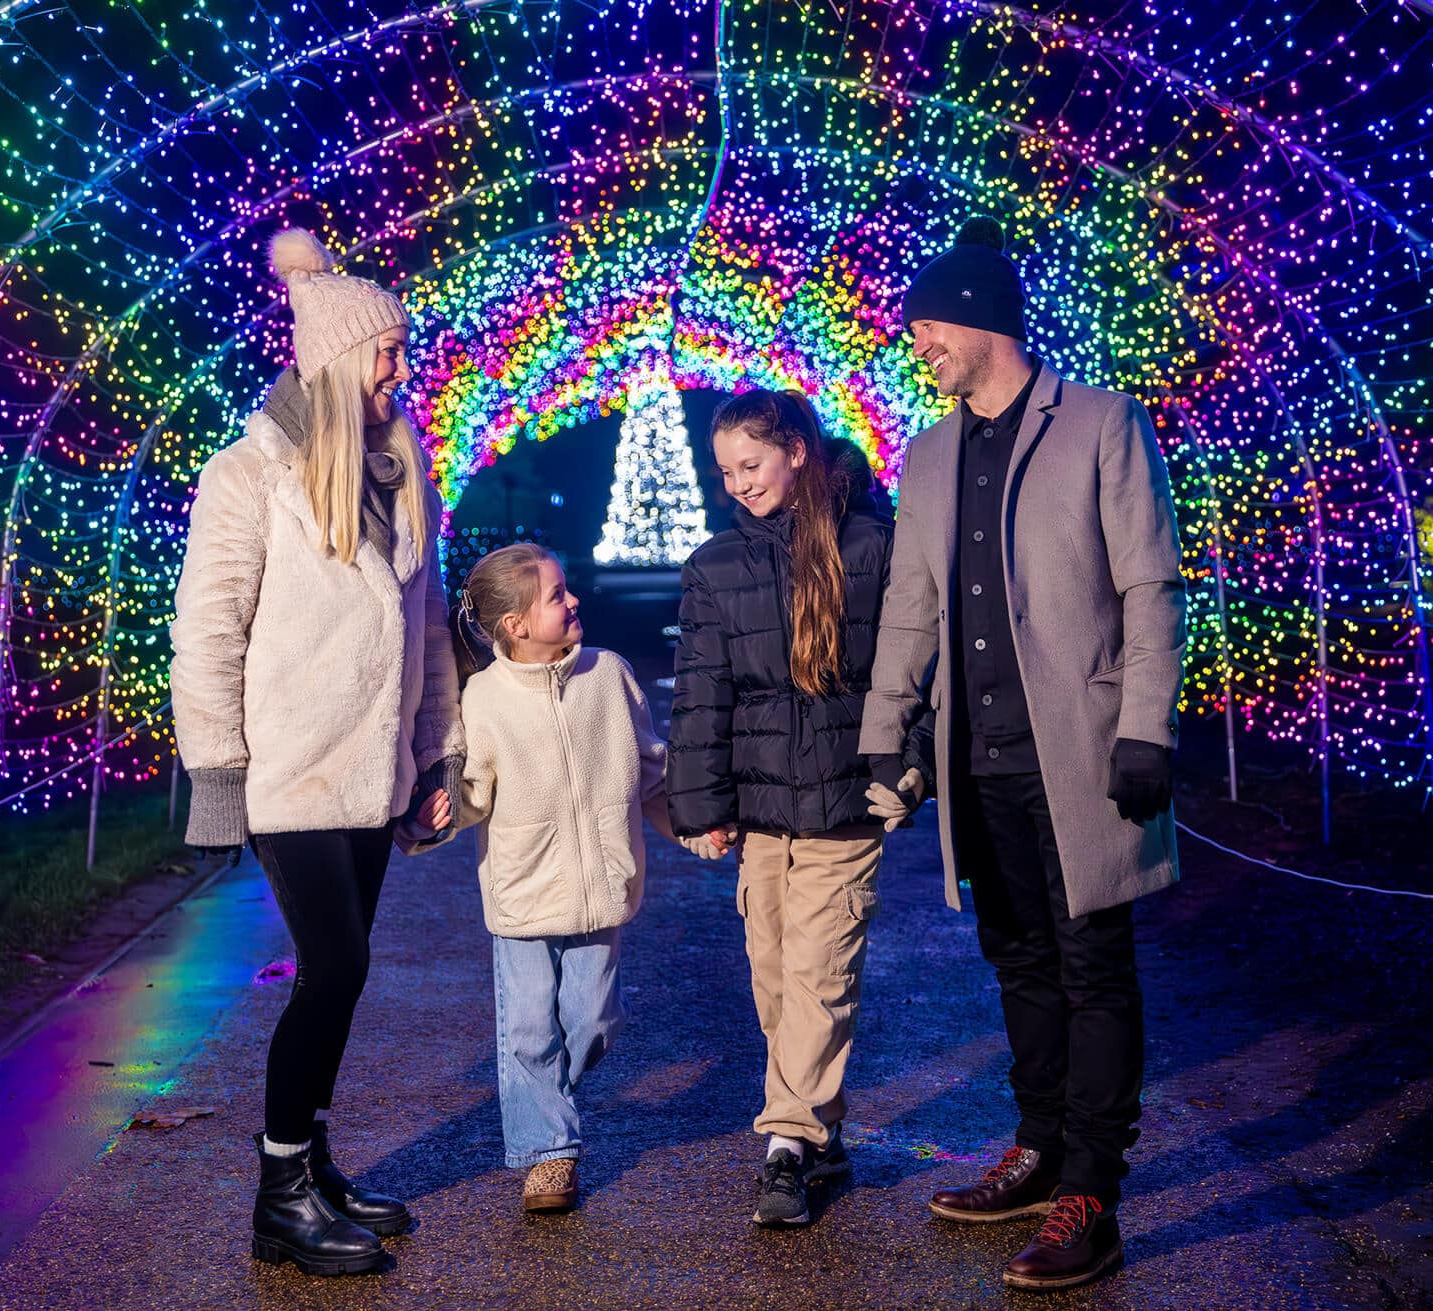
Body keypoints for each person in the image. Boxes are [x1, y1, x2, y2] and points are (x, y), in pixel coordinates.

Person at [860, 217, 1186, 1293]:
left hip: (1083, 749)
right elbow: (910, 603)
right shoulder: (929, 452)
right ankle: (1040, 1148)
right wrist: (884, 731)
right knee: (1019, 958)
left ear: (978, 322)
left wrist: (1147, 725)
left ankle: (1092, 1190)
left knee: (1093, 965)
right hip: (980, 754)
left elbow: (1149, 586)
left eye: (925, 328)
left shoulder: (1100, 422)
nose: (917, 347)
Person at [170, 227, 463, 1277]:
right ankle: (279, 1195)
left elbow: (428, 632)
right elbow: (208, 630)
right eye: (388, 351)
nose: (402, 368)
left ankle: (315, 1162)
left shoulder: (402, 469)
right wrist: (217, 775)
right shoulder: (248, 475)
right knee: (333, 966)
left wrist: (435, 758)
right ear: (339, 358)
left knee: (346, 974)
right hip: (289, 770)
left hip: (371, 771)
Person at [667, 390, 908, 1228]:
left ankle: (786, 1144)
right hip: (763, 809)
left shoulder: (873, 544)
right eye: (726, 471)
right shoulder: (714, 567)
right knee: (775, 978)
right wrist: (700, 805)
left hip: (847, 800)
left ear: (797, 451)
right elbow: (702, 694)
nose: (739, 483)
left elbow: (913, 664)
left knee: (819, 975)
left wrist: (906, 763)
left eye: (752, 464)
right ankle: (822, 1131)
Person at [413, 543, 685, 1212]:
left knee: (592, 1021)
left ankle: (549, 1093)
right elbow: (473, 791)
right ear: (515, 624)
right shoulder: (485, 697)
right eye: (557, 595)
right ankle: (548, 1153)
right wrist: (433, 817)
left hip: (600, 889)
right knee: (531, 1029)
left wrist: (694, 827)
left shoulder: (609, 675)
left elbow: (652, 770)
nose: (574, 600)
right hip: (523, 891)